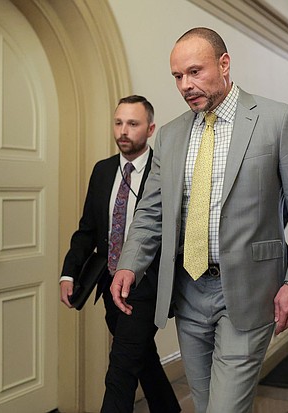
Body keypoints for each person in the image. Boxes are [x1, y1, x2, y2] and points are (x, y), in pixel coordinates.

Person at [110, 27, 288, 413]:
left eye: (195, 72)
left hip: (248, 290)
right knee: (206, 402)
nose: (186, 85)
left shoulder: (276, 121)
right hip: (188, 291)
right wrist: (130, 262)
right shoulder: (172, 135)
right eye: (178, 76)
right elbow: (150, 210)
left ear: (224, 64)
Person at [59, 95, 180, 413]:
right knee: (143, 359)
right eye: (118, 122)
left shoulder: (164, 170)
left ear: (150, 128)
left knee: (121, 368)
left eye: (133, 123)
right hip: (108, 282)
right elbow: (87, 229)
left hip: (146, 285)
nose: (123, 130)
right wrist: (69, 271)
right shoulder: (102, 171)